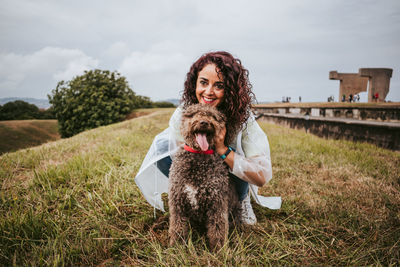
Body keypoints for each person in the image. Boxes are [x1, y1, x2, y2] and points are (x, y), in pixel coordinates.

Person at [134, 51, 281, 225]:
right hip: (199, 170)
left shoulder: (243, 119)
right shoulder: (182, 114)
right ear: (194, 82)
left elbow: (261, 176)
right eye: (203, 82)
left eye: (219, 85)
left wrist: (222, 150)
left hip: (229, 175)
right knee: (163, 149)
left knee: (233, 153)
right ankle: (191, 197)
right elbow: (182, 161)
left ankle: (241, 201)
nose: (208, 92)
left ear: (230, 90)